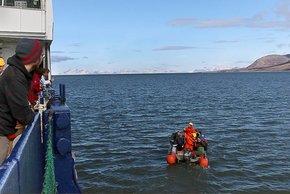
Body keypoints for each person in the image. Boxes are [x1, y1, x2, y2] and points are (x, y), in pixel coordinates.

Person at [0, 38, 44, 165]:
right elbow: (23, 114)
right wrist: (29, 116)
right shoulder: (15, 76)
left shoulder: (19, 73)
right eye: (41, 54)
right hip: (2, 134)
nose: (42, 58)